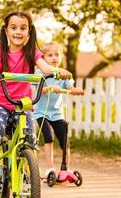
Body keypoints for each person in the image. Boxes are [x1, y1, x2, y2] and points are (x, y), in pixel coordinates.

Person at [0, 11, 72, 186]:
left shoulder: (32, 52)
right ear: (6, 31)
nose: (18, 32)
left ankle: (28, 167)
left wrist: (58, 71)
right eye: (14, 28)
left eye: (23, 28)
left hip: (23, 105)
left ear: (29, 31)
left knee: (30, 136)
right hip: (2, 105)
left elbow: (46, 68)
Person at [33, 42, 84, 178]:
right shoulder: (39, 73)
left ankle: (65, 168)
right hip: (41, 113)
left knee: (64, 140)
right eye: (50, 55)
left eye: (57, 55)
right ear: (43, 58)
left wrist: (75, 90)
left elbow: (70, 87)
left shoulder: (63, 74)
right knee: (48, 138)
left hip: (57, 113)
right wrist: (48, 88)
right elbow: (38, 90)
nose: (54, 58)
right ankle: (50, 168)